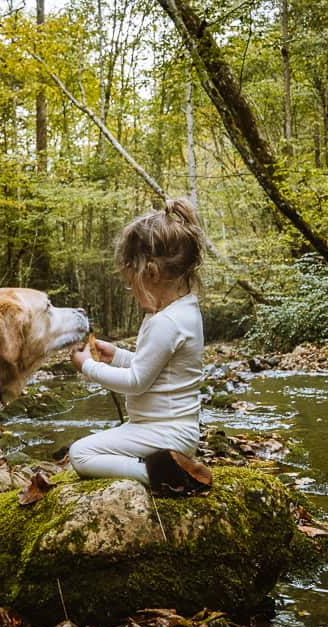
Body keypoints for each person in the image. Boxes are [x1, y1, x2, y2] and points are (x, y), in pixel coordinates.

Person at [69, 196, 211, 495]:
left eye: (131, 283)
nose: (131, 291)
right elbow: (158, 368)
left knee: (81, 454)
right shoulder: (182, 311)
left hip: (163, 433)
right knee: (101, 446)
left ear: (151, 274)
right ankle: (169, 465)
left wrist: (89, 367)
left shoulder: (165, 322)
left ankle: (157, 475)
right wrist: (118, 356)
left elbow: (136, 382)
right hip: (170, 430)